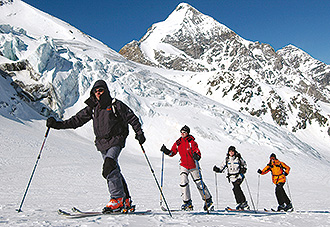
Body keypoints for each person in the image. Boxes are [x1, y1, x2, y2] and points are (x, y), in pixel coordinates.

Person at [46, 79, 146, 213]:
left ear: (106, 91)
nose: (98, 93)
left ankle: (116, 199)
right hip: (102, 143)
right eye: (96, 91)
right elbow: (76, 120)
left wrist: (139, 133)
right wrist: (57, 125)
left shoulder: (116, 105)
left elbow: (132, 118)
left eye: (100, 90)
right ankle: (126, 200)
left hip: (116, 139)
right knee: (114, 169)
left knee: (109, 166)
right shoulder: (93, 108)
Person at [160, 125, 213, 211]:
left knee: (199, 183)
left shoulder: (192, 142)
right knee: (183, 182)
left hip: (193, 165)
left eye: (184, 132)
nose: (182, 133)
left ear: (187, 133)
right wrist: (166, 151)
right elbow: (172, 153)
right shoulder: (178, 142)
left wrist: (197, 156)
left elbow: (197, 152)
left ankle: (208, 200)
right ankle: (187, 202)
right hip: (183, 165)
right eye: (181, 132)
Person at [213, 146, 249, 210]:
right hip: (231, 177)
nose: (231, 153)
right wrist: (217, 169)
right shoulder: (227, 159)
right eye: (230, 151)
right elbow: (222, 168)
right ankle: (240, 203)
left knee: (236, 188)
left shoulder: (238, 158)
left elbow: (244, 164)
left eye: (232, 151)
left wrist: (243, 170)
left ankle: (243, 203)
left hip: (239, 176)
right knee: (235, 189)